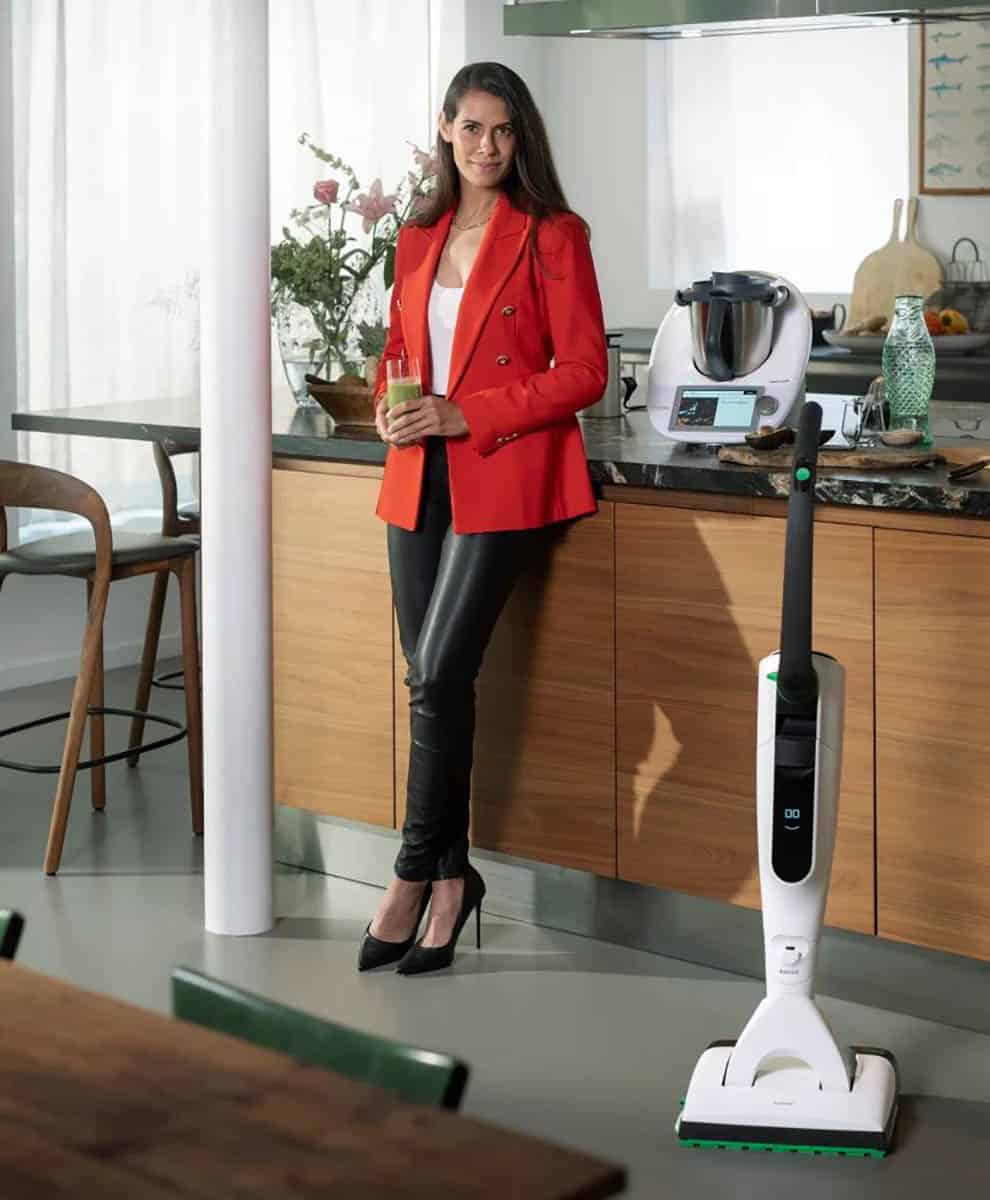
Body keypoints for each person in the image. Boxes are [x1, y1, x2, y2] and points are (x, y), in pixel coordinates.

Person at [357, 62, 607, 976]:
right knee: (433, 680)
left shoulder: (554, 234)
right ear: (446, 130)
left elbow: (585, 373)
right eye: (470, 128)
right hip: (415, 475)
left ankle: (412, 871)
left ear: (521, 136)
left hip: (502, 476)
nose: (486, 146)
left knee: (437, 668)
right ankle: (456, 880)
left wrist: (471, 413)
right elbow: (399, 349)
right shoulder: (418, 236)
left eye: (502, 131)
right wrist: (392, 402)